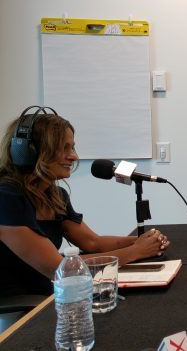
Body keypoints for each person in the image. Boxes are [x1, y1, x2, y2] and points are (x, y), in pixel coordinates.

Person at [0, 107, 171, 298]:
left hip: (51, 296)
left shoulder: (56, 196)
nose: (74, 156)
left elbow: (93, 242)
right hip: (22, 307)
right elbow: (59, 269)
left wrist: (141, 241)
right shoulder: (6, 198)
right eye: (63, 148)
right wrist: (136, 251)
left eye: (72, 147)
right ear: (29, 152)